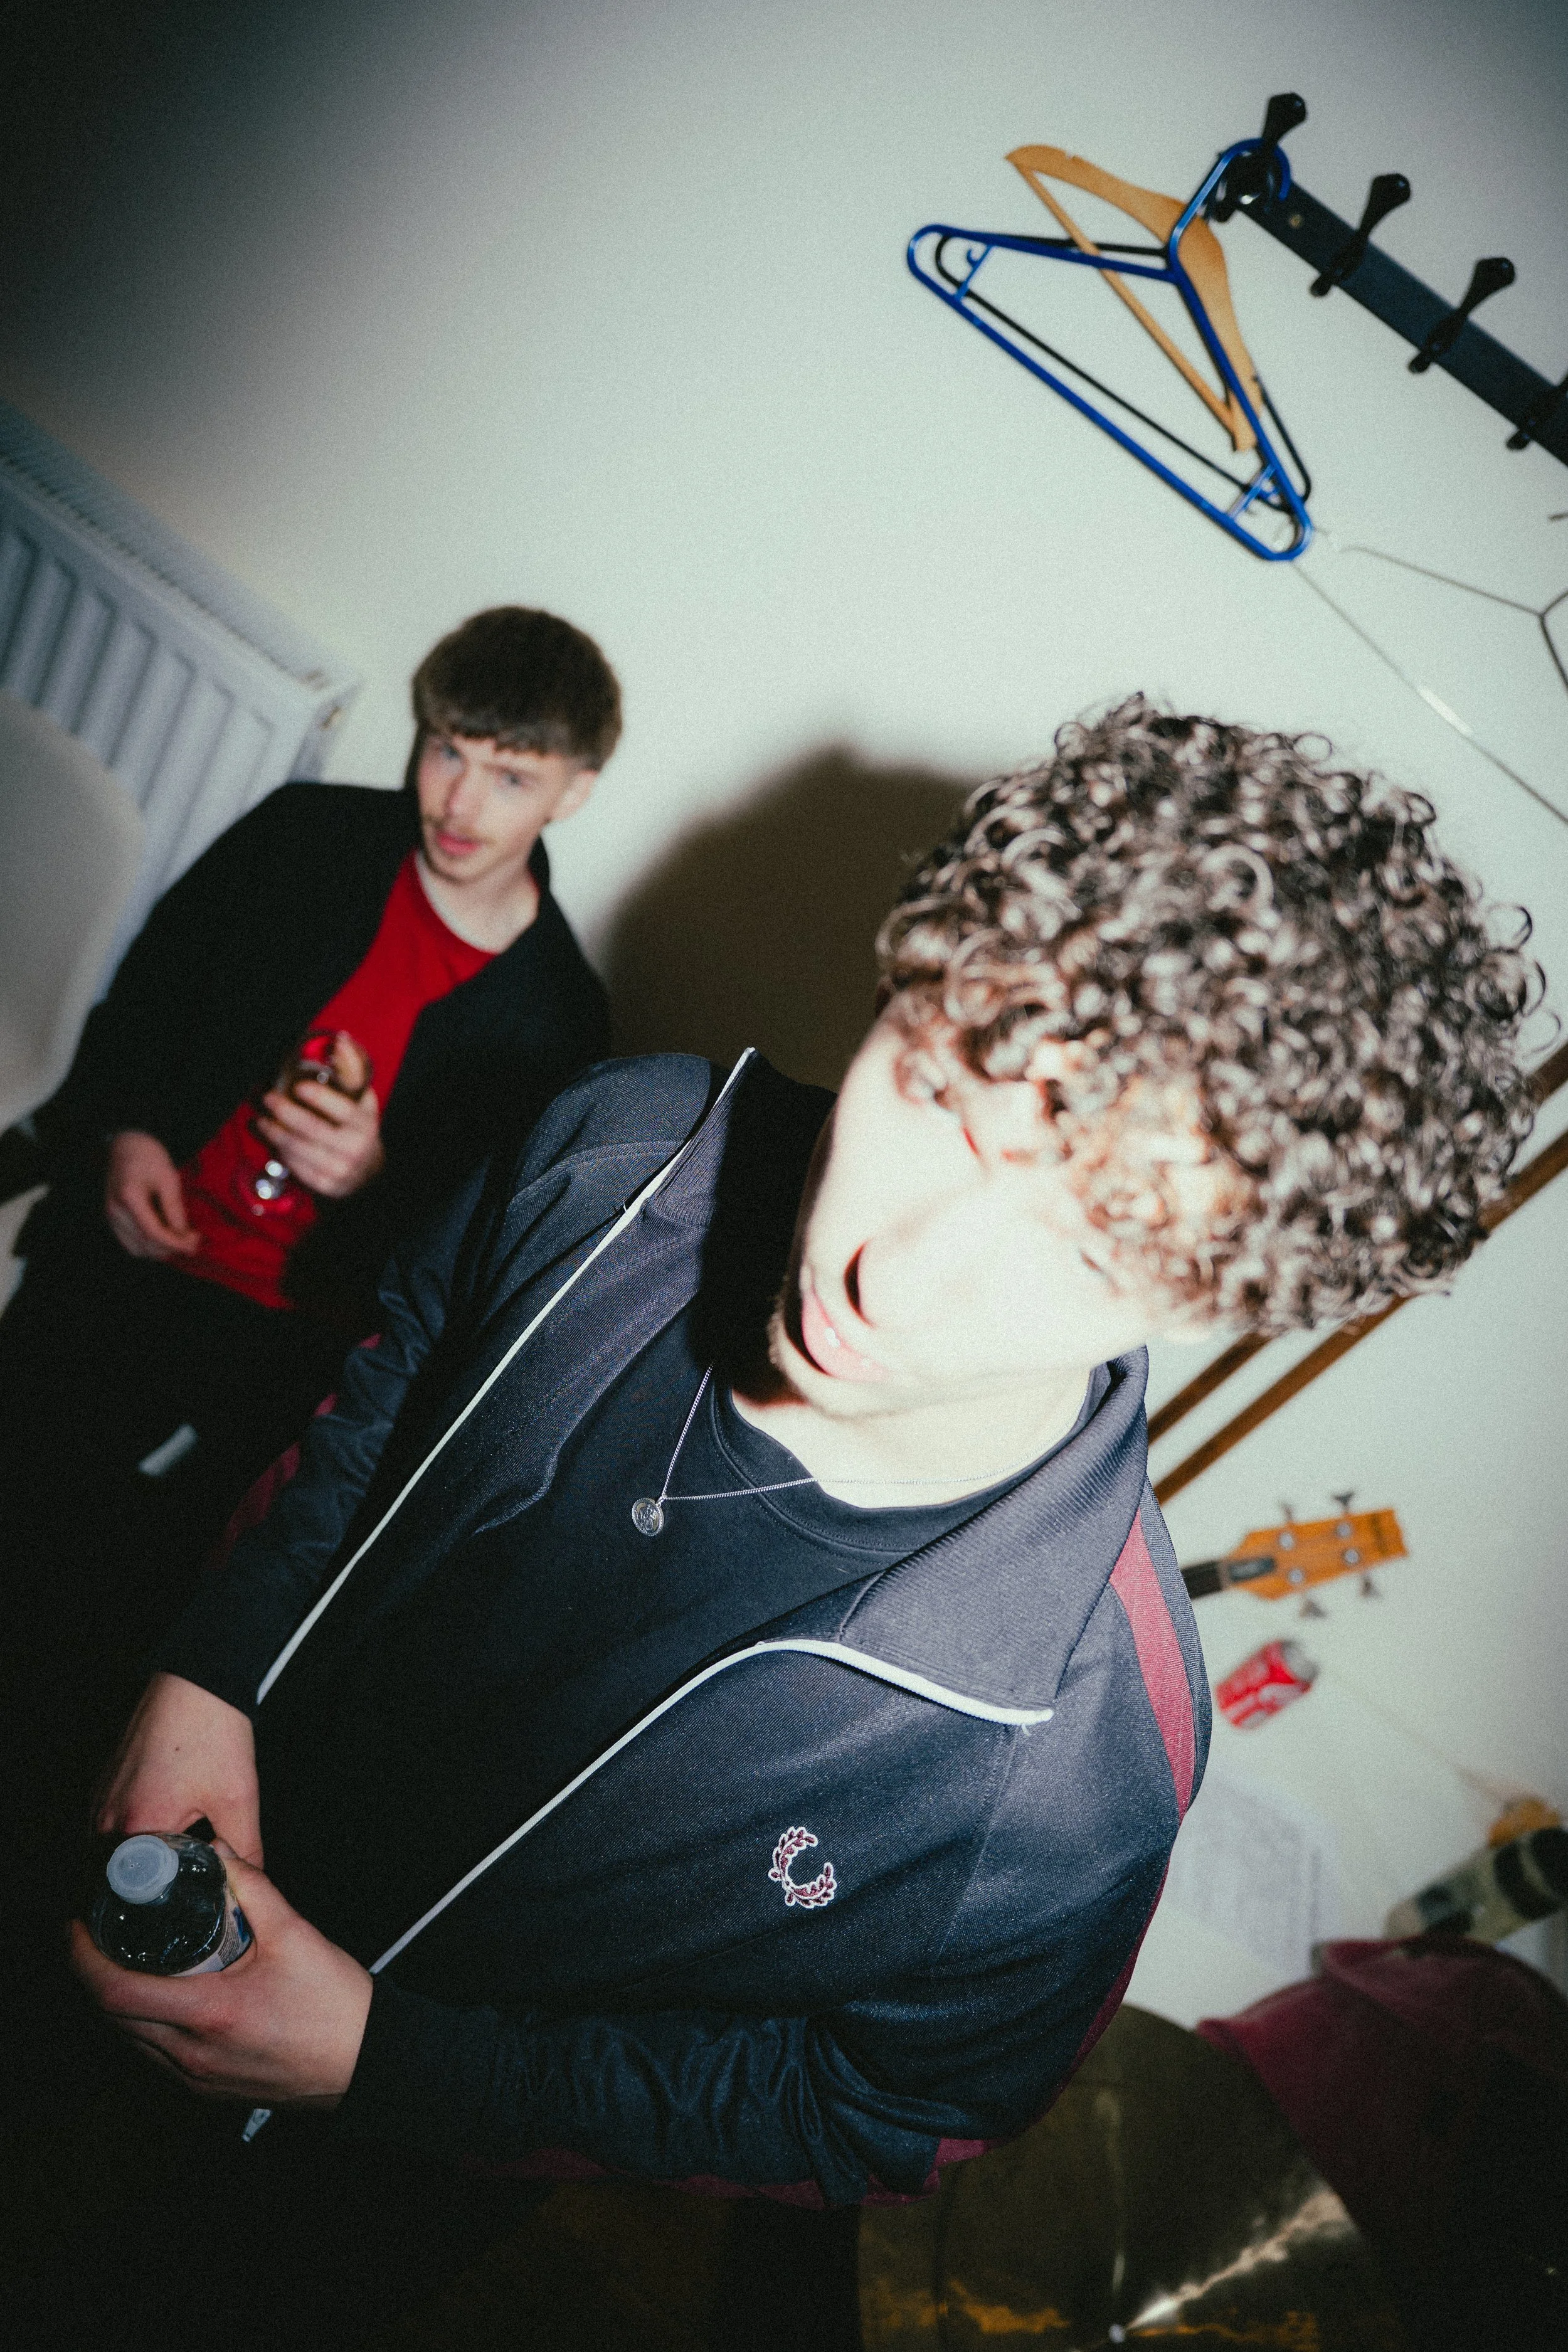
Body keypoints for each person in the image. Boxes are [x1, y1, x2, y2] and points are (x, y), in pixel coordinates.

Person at [61, 699, 1539, 2345]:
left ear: (1205, 1300)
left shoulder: (1064, 1777)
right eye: (935, 1088)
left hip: (364, 2165)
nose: (890, 1270)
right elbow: (390, 1379)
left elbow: (876, 2106)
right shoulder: (621, 1144)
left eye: (1078, 1246)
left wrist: (390, 2062)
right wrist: (209, 1670)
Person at [0, 606, 617, 1770]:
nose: (457, 802)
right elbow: (155, 985)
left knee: (153, 1612)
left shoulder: (559, 1023)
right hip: (140, 1240)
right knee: (28, 1475)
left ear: (572, 793)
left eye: (508, 775)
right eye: (445, 749)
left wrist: (380, 1182)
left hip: (298, 1341)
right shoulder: (310, 838)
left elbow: (479, 1278)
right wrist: (130, 1133)